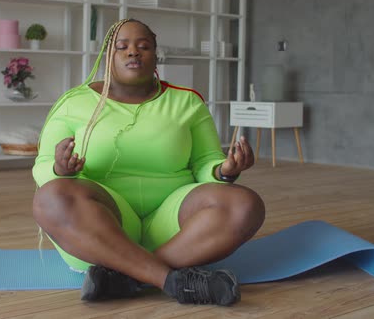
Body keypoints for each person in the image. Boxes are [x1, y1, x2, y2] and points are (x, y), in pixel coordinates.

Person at [32, 18, 265, 306]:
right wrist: (59, 169)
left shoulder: (187, 103)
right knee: (51, 197)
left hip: (177, 230)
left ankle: (127, 276)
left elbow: (206, 162)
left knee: (245, 204)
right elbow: (41, 167)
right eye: (122, 47)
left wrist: (224, 170)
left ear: (156, 56)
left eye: (144, 46)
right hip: (102, 225)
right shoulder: (73, 102)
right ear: (109, 56)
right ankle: (174, 281)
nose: (134, 52)